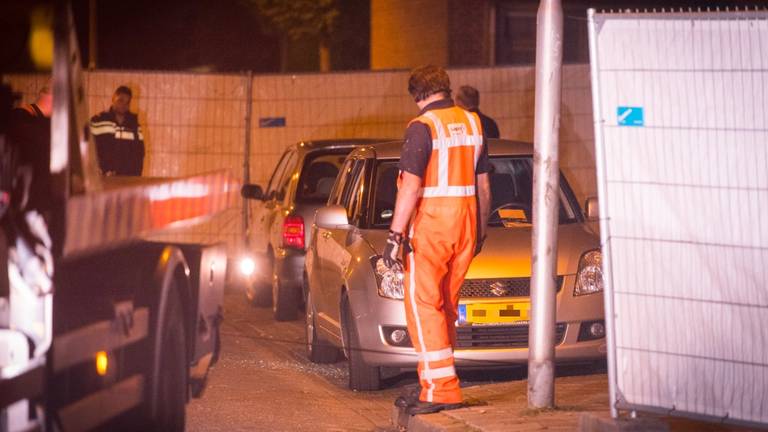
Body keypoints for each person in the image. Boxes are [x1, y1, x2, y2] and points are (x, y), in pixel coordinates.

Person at [383, 65, 492, 415]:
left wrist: (395, 235)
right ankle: (437, 380)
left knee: (423, 305)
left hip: (432, 224)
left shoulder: (422, 127)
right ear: (446, 89)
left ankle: (439, 390)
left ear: (417, 95)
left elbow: (411, 186)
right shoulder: (475, 123)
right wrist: (480, 229)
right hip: (467, 222)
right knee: (445, 304)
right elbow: (485, 185)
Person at [90, 85, 145, 176]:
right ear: (113, 99)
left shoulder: (134, 126)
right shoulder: (97, 121)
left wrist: (136, 177)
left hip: (127, 180)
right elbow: (88, 149)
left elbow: (139, 153)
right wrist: (98, 170)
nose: (123, 105)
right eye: (120, 100)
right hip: (103, 178)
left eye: (127, 102)